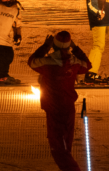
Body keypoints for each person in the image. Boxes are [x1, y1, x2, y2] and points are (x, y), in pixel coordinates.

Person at [28, 31, 91, 171]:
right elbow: (88, 65)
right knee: (66, 142)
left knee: (57, 146)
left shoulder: (47, 63)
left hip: (52, 108)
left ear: (53, 47)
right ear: (68, 47)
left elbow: (31, 61)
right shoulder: (74, 63)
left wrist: (45, 46)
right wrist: (76, 48)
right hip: (68, 107)